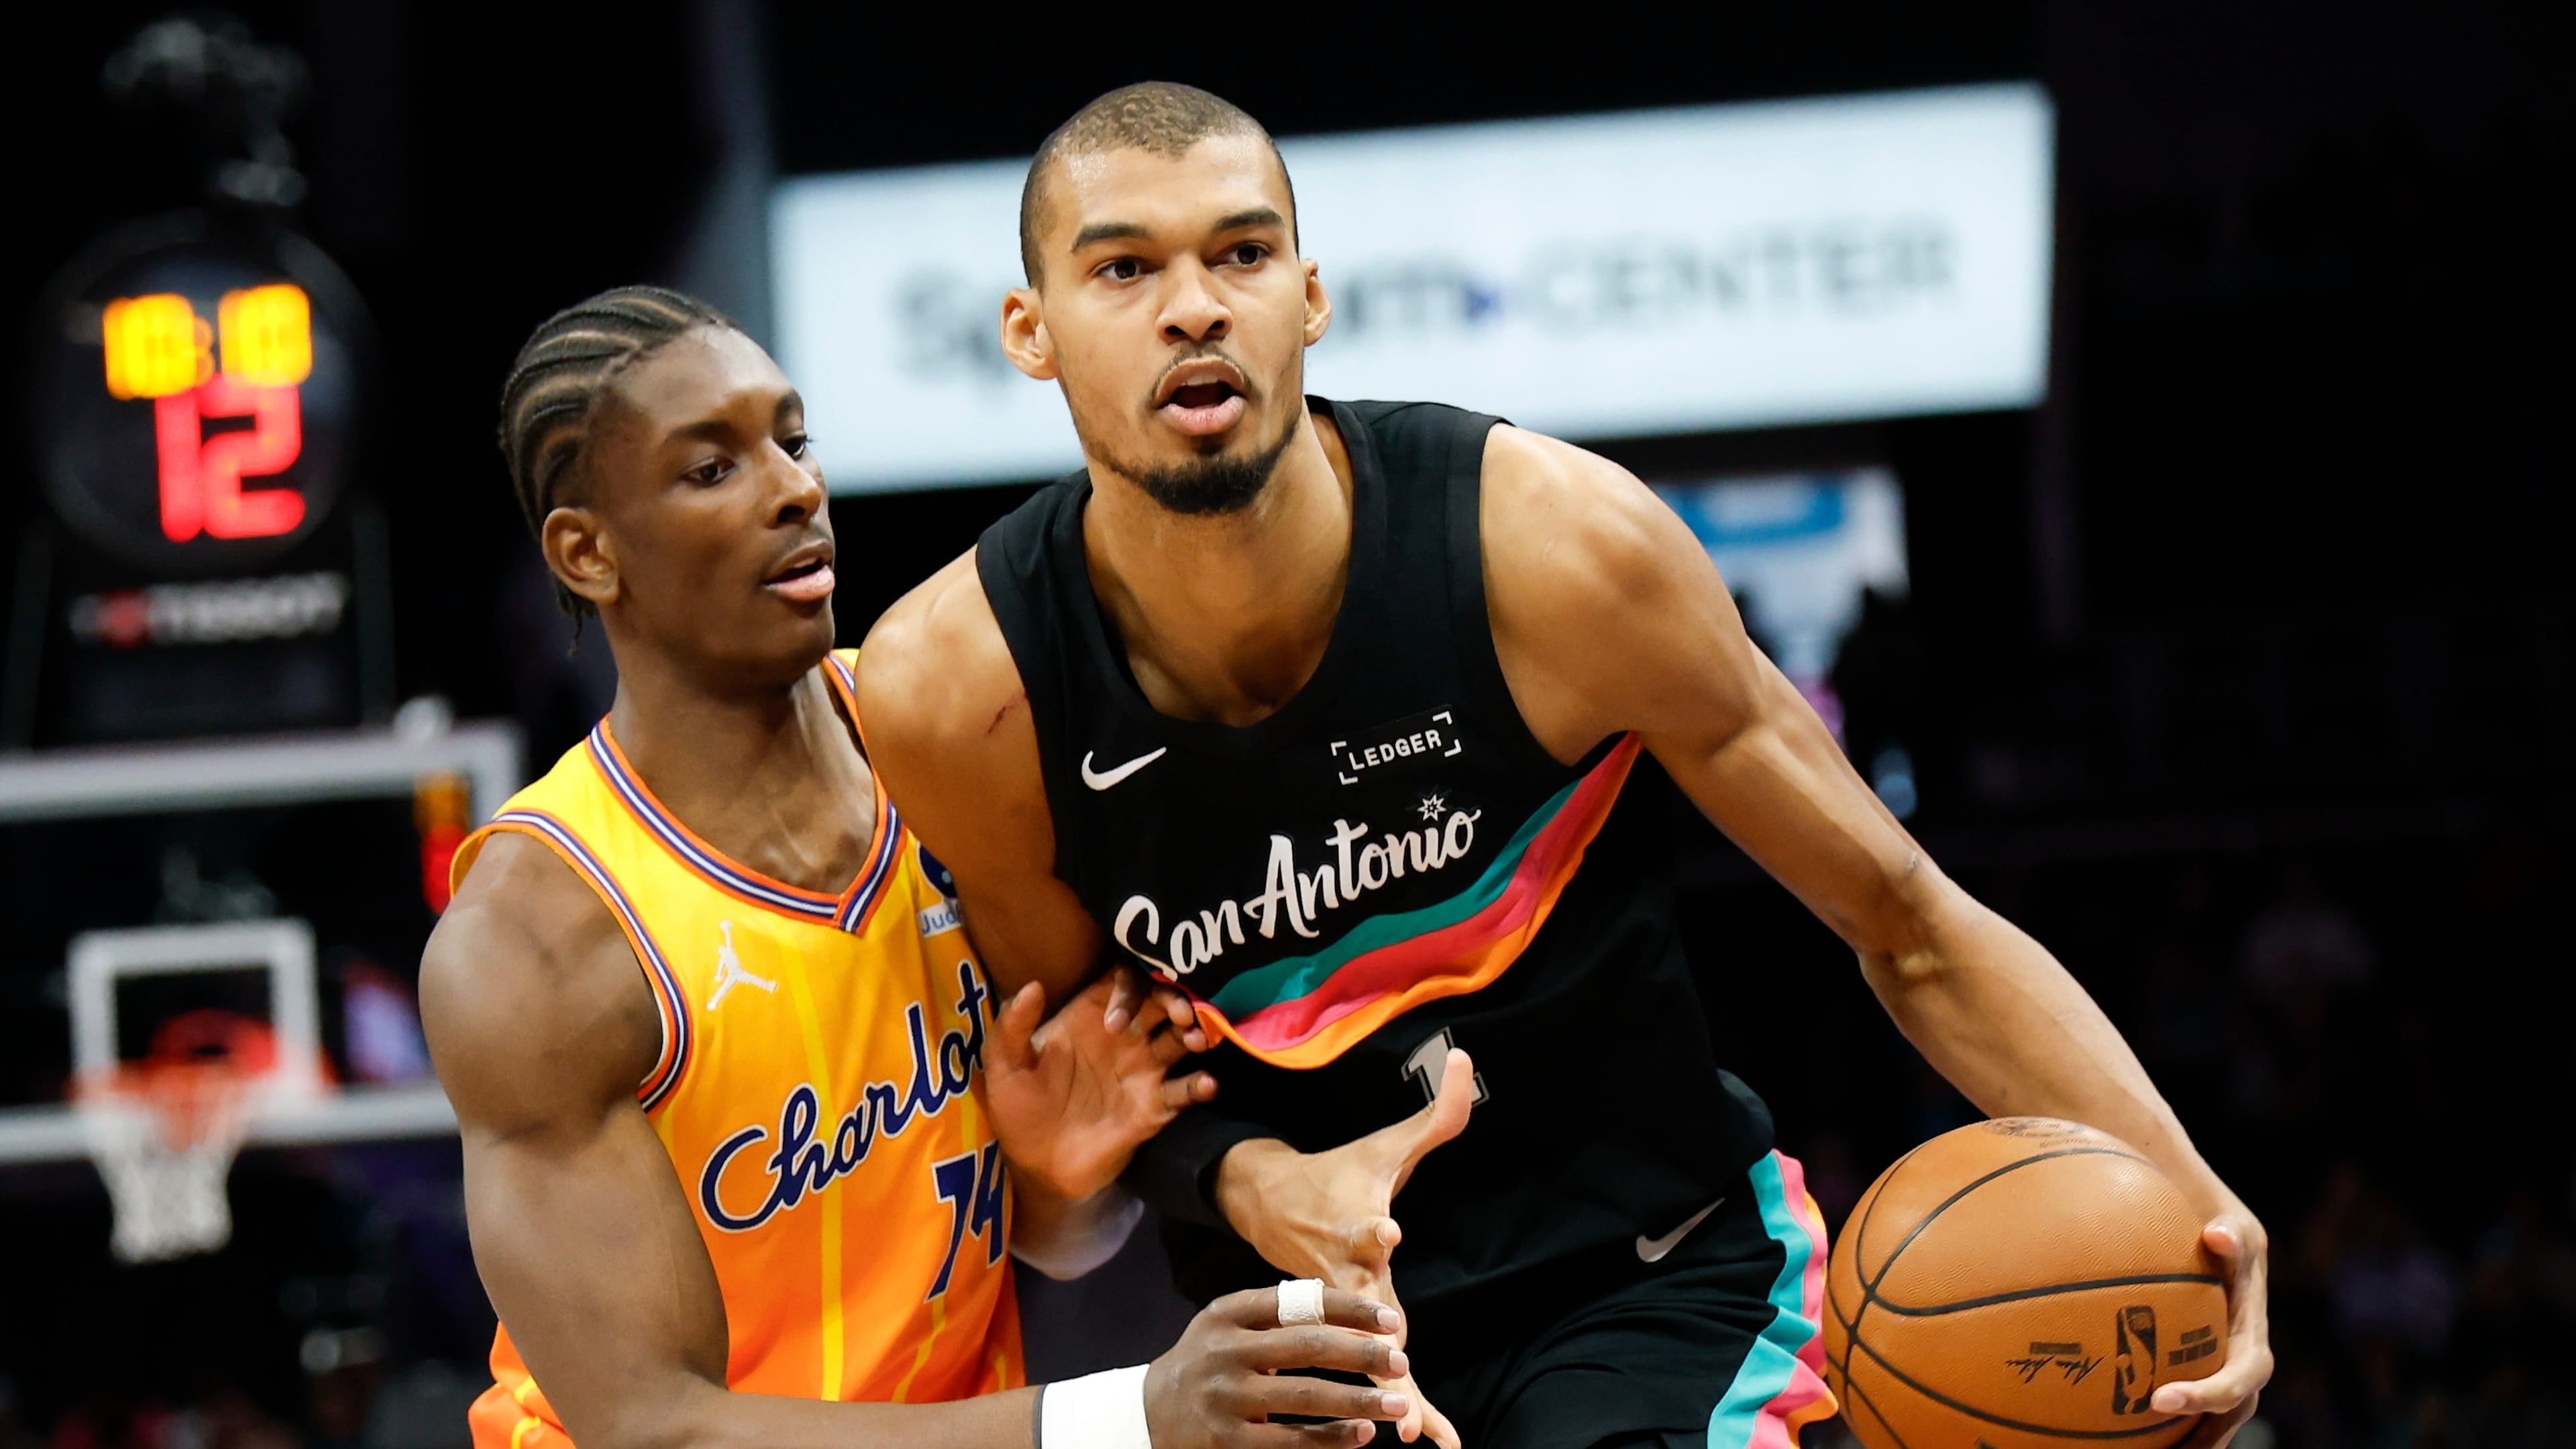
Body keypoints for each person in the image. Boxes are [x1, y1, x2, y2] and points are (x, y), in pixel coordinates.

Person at [857, 84, 2276, 1449]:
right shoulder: (959, 691)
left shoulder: (1555, 554)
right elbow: (1101, 1087)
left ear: (1311, 297)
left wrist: (2204, 1208)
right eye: (1124, 269)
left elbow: (1905, 921)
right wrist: (1249, 1177)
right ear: (1030, 333)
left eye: (1242, 250)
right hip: (1313, 1349)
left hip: (1655, 1276)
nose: (1193, 303)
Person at [419, 286, 1418, 1449]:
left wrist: (1058, 1181)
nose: (794, 489)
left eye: (792, 443)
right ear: (589, 553)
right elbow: (655, 1429)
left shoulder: (946, 734)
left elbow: (1001, 1240)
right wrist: (1129, 1417)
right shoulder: (536, 942)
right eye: (712, 470)